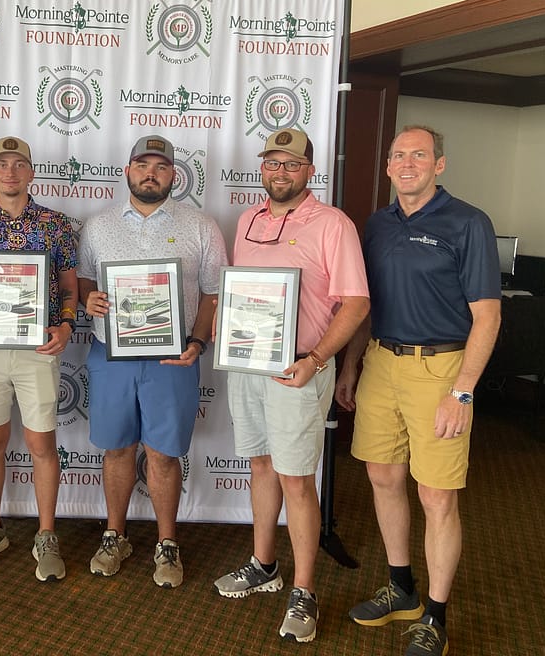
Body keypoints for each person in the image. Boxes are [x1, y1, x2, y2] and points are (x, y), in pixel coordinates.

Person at [336, 125, 501, 656]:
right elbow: (364, 304)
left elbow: (488, 317)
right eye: (398, 155)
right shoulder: (377, 224)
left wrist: (464, 392)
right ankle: (401, 588)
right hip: (382, 360)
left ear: (440, 164)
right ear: (387, 167)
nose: (407, 163)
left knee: (436, 496)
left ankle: (434, 615)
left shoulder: (469, 223)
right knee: (383, 476)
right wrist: (351, 366)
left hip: (442, 371)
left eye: (419, 155)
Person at [212, 129, 370, 642]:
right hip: (247, 364)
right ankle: (263, 565)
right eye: (272, 163)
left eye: (291, 164)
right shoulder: (248, 219)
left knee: (297, 478)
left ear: (309, 170)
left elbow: (356, 303)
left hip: (300, 368)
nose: (280, 172)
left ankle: (304, 590)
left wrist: (320, 359)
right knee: (260, 464)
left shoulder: (333, 224)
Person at [78, 134, 228, 589]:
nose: (151, 173)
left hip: (173, 357)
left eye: (161, 167)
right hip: (112, 354)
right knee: (117, 448)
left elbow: (213, 293)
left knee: (163, 454)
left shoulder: (201, 226)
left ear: (173, 176)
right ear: (127, 171)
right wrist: (91, 301)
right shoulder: (97, 225)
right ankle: (114, 534)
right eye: (142, 164)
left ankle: (167, 542)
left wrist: (199, 342)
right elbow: (83, 282)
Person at [0, 135, 79, 582]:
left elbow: (68, 284)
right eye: (1, 164)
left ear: (30, 172)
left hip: (36, 351)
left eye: (18, 164)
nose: (10, 171)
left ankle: (46, 534)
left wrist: (65, 324)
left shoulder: (56, 224)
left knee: (42, 445)